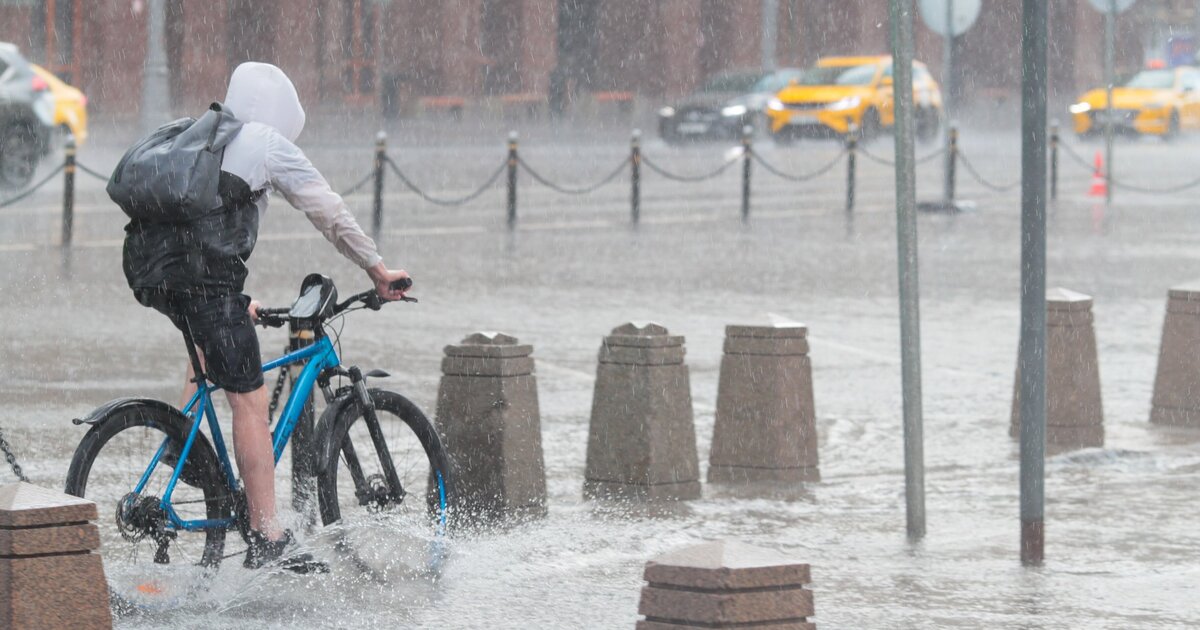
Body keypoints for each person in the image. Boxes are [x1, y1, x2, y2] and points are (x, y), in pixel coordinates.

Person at [122, 62, 409, 569]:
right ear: (281, 112)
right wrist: (377, 269)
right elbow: (329, 211)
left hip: (153, 271)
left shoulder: (203, 135)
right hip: (202, 279)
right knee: (250, 400)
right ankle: (267, 532)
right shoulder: (267, 143)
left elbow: (198, 227)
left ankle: (185, 451)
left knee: (209, 342)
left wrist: (238, 299)